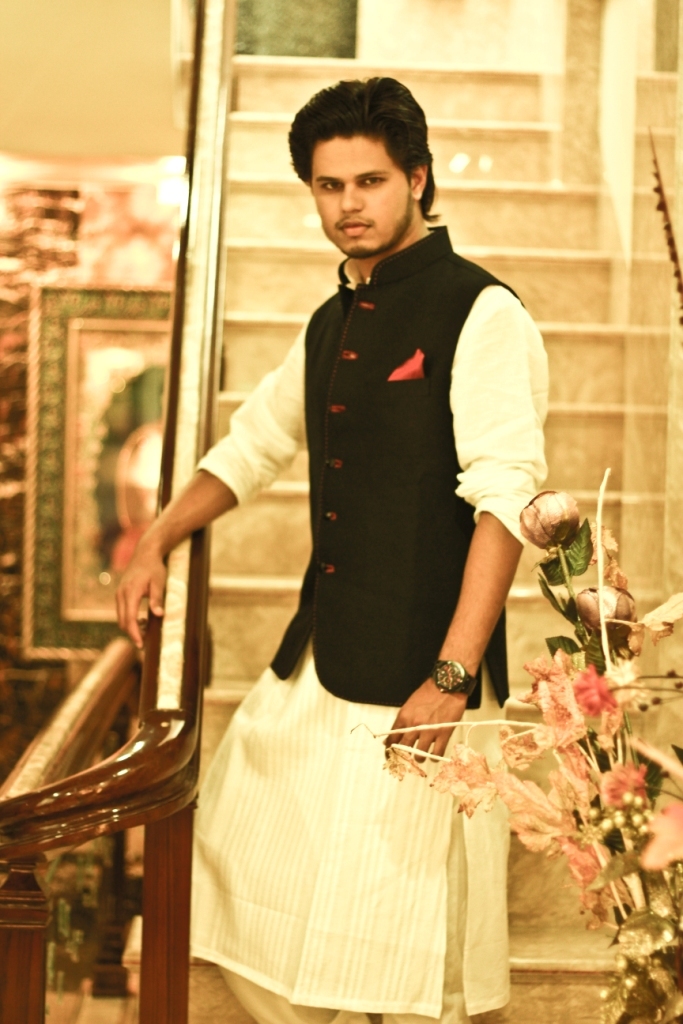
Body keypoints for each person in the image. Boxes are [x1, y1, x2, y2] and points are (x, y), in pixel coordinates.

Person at [117, 77, 548, 1024]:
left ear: (417, 179)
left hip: (419, 665)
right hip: (322, 652)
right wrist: (156, 537)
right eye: (328, 185)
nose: (349, 204)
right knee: (238, 854)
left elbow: (505, 503)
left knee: (394, 918)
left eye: (370, 181)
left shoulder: (481, 312)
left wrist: (451, 676)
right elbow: (253, 447)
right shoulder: (331, 320)